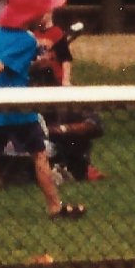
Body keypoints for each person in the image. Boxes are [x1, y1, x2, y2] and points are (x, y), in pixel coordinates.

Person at [0, 0, 81, 224]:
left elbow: (15, 64)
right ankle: (55, 207)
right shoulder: (26, 39)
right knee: (39, 155)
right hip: (18, 107)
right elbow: (1, 64)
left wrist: (37, 62)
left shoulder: (0, 34)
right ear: (32, 15)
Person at [34, 14, 100, 181]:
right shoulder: (29, 35)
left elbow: (65, 59)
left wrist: (65, 81)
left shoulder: (57, 34)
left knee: (86, 122)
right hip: (36, 89)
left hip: (57, 89)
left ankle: (74, 166)